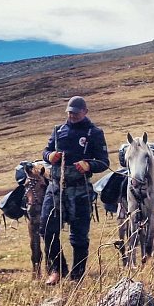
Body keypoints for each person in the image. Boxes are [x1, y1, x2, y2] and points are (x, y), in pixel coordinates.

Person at [40, 96, 109, 285]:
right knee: (46, 230)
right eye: (69, 112)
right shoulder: (58, 130)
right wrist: (50, 155)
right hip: (55, 189)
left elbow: (104, 162)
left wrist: (89, 165)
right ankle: (57, 269)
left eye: (75, 112)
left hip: (80, 190)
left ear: (85, 112)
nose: (71, 115)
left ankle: (77, 275)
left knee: (79, 236)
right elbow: (45, 152)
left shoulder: (94, 133)